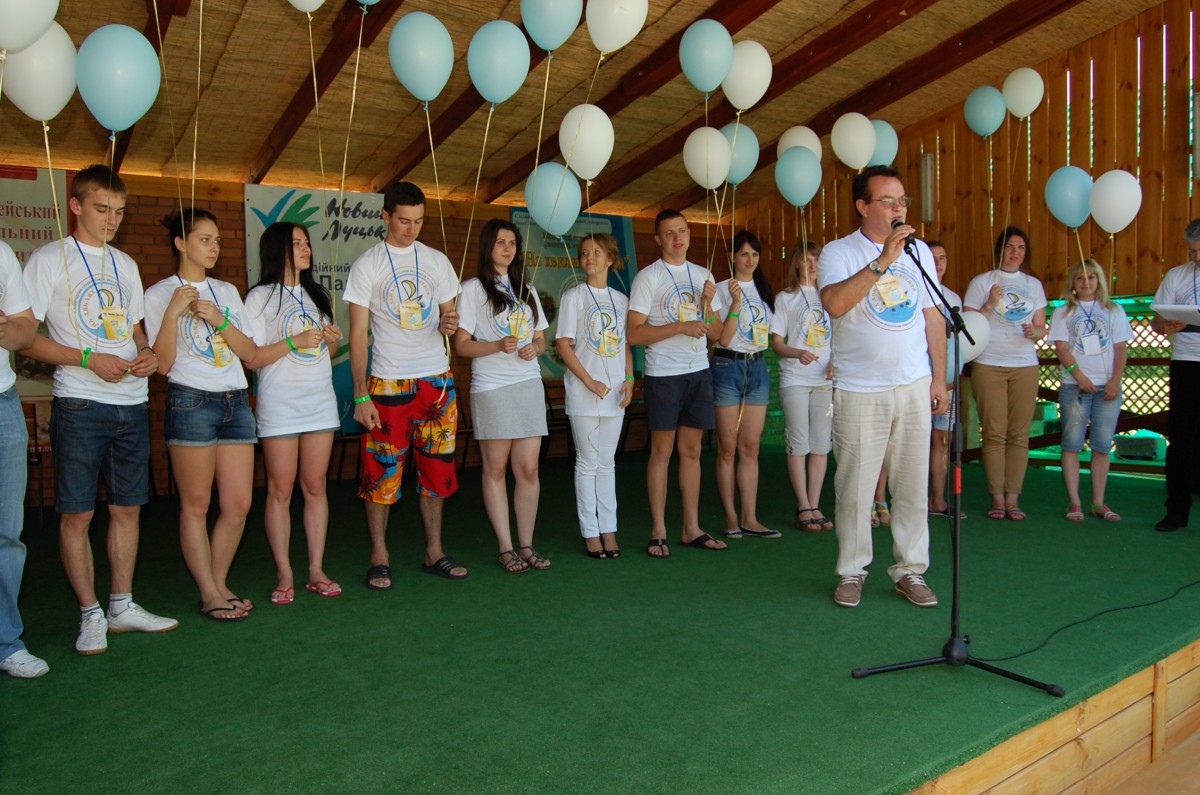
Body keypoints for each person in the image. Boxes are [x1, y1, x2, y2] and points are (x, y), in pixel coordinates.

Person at [20, 165, 177, 653]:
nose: (112, 219)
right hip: (80, 401)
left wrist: (146, 353)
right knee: (77, 514)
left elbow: (134, 331)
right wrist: (88, 358)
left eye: (120, 211)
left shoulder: (126, 263)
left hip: (132, 402)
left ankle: (121, 605)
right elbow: (24, 339)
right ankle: (90, 614)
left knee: (128, 508)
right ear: (75, 205)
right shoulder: (49, 259)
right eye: (102, 209)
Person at [817, 165, 947, 608]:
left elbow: (933, 317)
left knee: (911, 486)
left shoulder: (920, 251)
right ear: (862, 206)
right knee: (855, 488)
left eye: (902, 201)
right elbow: (834, 304)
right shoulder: (839, 252)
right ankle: (852, 571)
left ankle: (910, 570)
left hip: (913, 384)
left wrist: (939, 378)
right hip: (860, 388)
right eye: (888, 201)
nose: (898, 208)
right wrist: (882, 261)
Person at [344, 181, 466, 586]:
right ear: (385, 216)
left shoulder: (436, 260)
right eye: (403, 221)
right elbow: (357, 334)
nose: (411, 229)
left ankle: (435, 551)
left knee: (436, 469)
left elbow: (449, 316)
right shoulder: (367, 265)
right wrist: (361, 393)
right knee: (381, 472)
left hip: (436, 380)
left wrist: (450, 323)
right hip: (387, 382)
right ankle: (379, 555)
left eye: (418, 221)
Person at [145, 209, 258, 622]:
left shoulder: (227, 291)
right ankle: (209, 593)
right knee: (197, 503)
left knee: (239, 503)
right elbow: (161, 364)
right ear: (181, 243)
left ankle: (219, 582)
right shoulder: (159, 294)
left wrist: (219, 318)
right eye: (204, 239)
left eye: (217, 240)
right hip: (190, 399)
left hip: (235, 399)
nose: (214, 247)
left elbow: (249, 352)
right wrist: (173, 313)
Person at [244, 223, 343, 603]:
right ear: (277, 249)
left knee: (316, 486)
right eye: (296, 243)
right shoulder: (259, 298)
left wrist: (331, 343)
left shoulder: (317, 294)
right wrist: (294, 340)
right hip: (280, 403)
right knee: (280, 490)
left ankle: (316, 569)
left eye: (306, 243)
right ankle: (284, 572)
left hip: (319, 402)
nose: (306, 249)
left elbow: (325, 355)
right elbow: (252, 358)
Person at [627, 209, 726, 557]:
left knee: (692, 451)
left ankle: (691, 528)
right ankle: (658, 530)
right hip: (663, 376)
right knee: (662, 452)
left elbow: (716, 333)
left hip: (698, 372)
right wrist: (679, 327)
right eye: (669, 233)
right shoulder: (648, 277)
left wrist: (708, 304)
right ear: (658, 239)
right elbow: (634, 334)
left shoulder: (703, 275)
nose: (677, 238)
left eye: (682, 231)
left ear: (689, 234)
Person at [455, 219, 550, 572]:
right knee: (495, 468)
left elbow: (541, 339)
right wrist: (496, 345)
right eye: (500, 243)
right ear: (487, 247)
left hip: (528, 384)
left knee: (528, 469)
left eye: (512, 243)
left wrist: (535, 349)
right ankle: (505, 548)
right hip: (492, 387)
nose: (508, 249)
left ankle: (527, 545)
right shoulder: (472, 289)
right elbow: (461, 346)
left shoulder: (527, 288)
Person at [555, 233, 634, 558]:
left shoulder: (621, 300)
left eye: (597, 252)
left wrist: (630, 379)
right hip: (583, 393)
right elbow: (563, 345)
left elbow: (625, 345)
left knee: (607, 463)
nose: (590, 257)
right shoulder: (573, 296)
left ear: (610, 259)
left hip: (615, 394)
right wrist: (588, 381)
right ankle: (590, 531)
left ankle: (609, 529)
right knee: (587, 463)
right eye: (585, 253)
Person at [963, 227, 1047, 521]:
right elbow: (969, 325)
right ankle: (997, 497)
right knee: (994, 432)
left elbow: (1042, 327)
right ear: (1000, 250)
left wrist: (1035, 332)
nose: (1015, 253)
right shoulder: (982, 282)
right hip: (989, 362)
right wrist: (988, 304)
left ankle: (1013, 497)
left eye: (1021, 248)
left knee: (1019, 434)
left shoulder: (1034, 285)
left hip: (1025, 364)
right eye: (1010, 247)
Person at [1048, 258, 1131, 522]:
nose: (1086, 282)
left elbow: (1121, 348)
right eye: (1080, 277)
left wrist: (1115, 381)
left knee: (1102, 445)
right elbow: (1061, 348)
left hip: (1107, 387)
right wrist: (1079, 376)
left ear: (1099, 281)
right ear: (1072, 282)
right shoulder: (1063, 312)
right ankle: (1075, 502)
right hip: (1075, 386)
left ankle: (1099, 502)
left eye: (1092, 277)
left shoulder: (1114, 310)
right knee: (1072, 443)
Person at [711, 230, 777, 539]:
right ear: (733, 257)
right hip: (727, 365)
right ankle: (731, 516)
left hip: (757, 366)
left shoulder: (764, 289)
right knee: (728, 448)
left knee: (751, 447)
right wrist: (736, 302)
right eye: (744, 254)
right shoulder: (721, 289)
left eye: (754, 254)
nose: (750, 260)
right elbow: (721, 337)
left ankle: (750, 517)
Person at [0, 241, 47, 677]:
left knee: (7, 532)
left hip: (2, 401)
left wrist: (7, 328)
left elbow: (25, 331)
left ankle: (6, 642)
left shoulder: (0, 253)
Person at [770, 238, 833, 532]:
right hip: (795, 377)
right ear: (796, 263)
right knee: (798, 442)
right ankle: (803, 505)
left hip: (825, 381)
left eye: (816, 260)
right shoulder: (786, 298)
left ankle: (815, 504)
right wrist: (798, 353)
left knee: (821, 443)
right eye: (806, 260)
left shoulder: (831, 295)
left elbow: (842, 338)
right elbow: (777, 343)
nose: (812, 265)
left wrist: (835, 363)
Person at [1149, 219, 1200, 532]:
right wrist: (1163, 325)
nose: (1196, 257)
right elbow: (1157, 319)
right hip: (1185, 361)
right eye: (1192, 251)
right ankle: (1177, 510)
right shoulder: (1176, 275)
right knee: (1180, 437)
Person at [926, 241, 966, 519]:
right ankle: (908, 501)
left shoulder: (953, 299)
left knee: (942, 440)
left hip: (947, 383)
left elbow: (956, 344)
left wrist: (952, 374)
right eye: (932, 258)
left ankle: (937, 501)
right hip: (918, 379)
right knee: (913, 440)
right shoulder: (913, 292)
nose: (938, 263)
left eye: (943, 257)